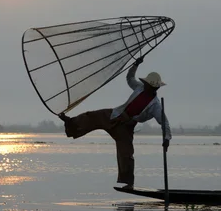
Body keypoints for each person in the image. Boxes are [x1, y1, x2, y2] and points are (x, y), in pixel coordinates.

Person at [59, 57, 171, 190]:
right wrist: (135, 65)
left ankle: (129, 183)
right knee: (92, 117)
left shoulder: (155, 105)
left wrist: (166, 138)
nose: (149, 87)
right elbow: (130, 79)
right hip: (115, 114)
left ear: (154, 87)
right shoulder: (140, 88)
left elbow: (164, 123)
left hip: (126, 126)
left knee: (126, 154)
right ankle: (71, 123)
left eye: (151, 86)